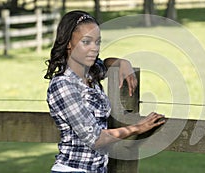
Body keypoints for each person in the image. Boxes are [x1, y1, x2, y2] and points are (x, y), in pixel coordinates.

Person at [44, 10, 165, 173]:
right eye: (86, 42)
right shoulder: (63, 85)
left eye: (97, 42)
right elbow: (96, 138)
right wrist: (137, 128)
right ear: (68, 43)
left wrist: (123, 62)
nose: (94, 48)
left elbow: (107, 63)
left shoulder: (90, 75)